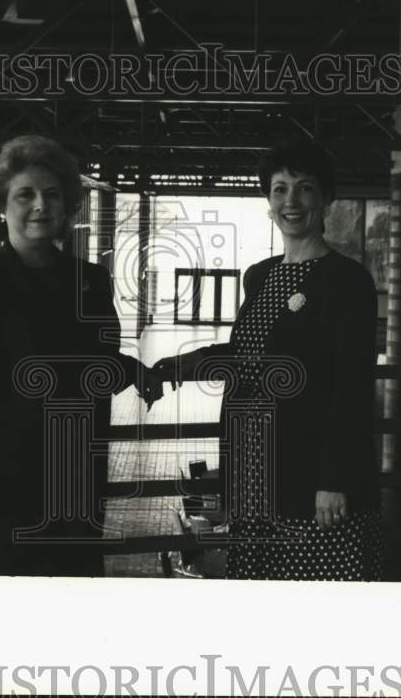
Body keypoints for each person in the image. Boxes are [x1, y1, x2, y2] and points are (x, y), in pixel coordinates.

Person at [0, 134, 156, 576]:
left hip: (67, 482)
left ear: (67, 207)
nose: (40, 206)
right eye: (24, 195)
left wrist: (135, 371)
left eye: (52, 195)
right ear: (0, 206)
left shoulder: (90, 281)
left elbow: (96, 362)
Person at [153, 138, 382, 580]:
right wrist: (184, 363)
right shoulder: (260, 275)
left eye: (304, 188)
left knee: (315, 596)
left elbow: (351, 386)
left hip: (311, 472)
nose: (290, 202)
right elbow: (251, 353)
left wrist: (333, 480)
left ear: (326, 198)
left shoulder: (348, 282)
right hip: (254, 467)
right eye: (279, 189)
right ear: (268, 201)